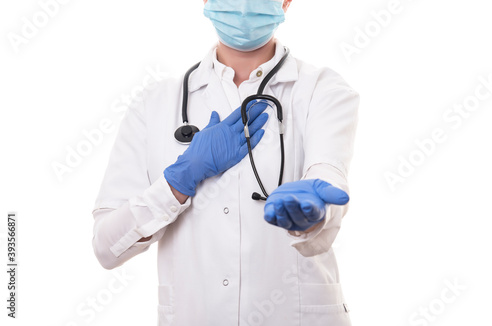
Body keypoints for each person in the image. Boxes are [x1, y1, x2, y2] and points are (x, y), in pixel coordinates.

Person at [92, 0, 359, 325]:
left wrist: (315, 211)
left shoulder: (322, 90)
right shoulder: (154, 105)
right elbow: (107, 248)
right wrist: (177, 181)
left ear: (287, 1)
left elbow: (327, 171)